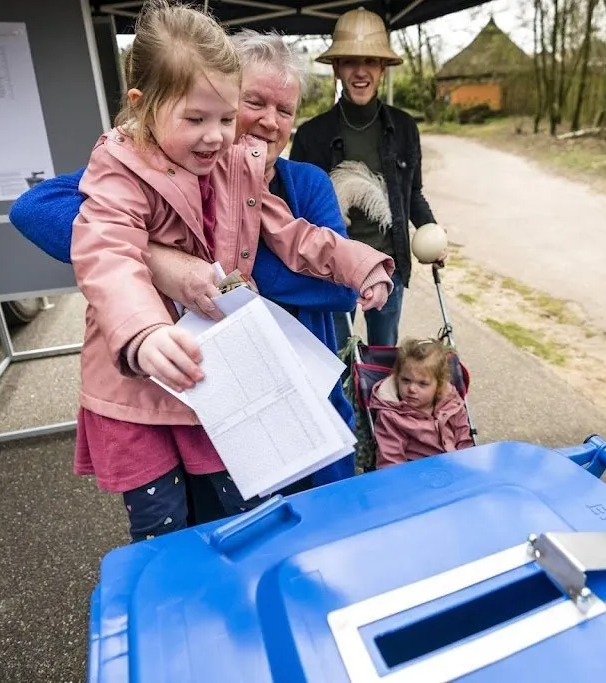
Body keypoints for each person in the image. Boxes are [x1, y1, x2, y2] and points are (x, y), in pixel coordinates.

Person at [67, 0, 394, 543]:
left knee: (243, 516)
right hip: (141, 384)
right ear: (141, 106)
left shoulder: (237, 165)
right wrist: (144, 329)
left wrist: (363, 266)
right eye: (199, 118)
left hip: (214, 378)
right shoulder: (120, 168)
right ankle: (181, 617)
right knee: (164, 532)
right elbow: (105, 249)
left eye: (223, 119)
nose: (217, 135)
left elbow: (296, 235)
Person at [8, 29, 361, 504]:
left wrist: (216, 273)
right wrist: (158, 260)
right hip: (207, 396)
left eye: (285, 110)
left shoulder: (306, 183)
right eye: (254, 102)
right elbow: (36, 209)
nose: (269, 122)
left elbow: (339, 289)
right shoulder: (158, 169)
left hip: (297, 394)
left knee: (316, 526)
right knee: (218, 526)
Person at [290, 7, 444, 349]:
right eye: (350, 62)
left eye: (371, 62)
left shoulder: (404, 128)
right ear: (336, 68)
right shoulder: (311, 136)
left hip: (387, 267)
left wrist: (432, 232)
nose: (361, 72)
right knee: (336, 359)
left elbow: (412, 195)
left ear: (383, 68)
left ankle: (377, 407)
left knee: (383, 357)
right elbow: (295, 211)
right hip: (332, 272)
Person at [370, 338, 474, 469]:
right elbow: (390, 460)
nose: (412, 389)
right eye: (406, 380)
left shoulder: (452, 404)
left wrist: (468, 467)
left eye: (422, 384)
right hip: (415, 476)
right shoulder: (391, 416)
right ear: (397, 378)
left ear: (439, 385)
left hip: (455, 468)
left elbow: (464, 441)